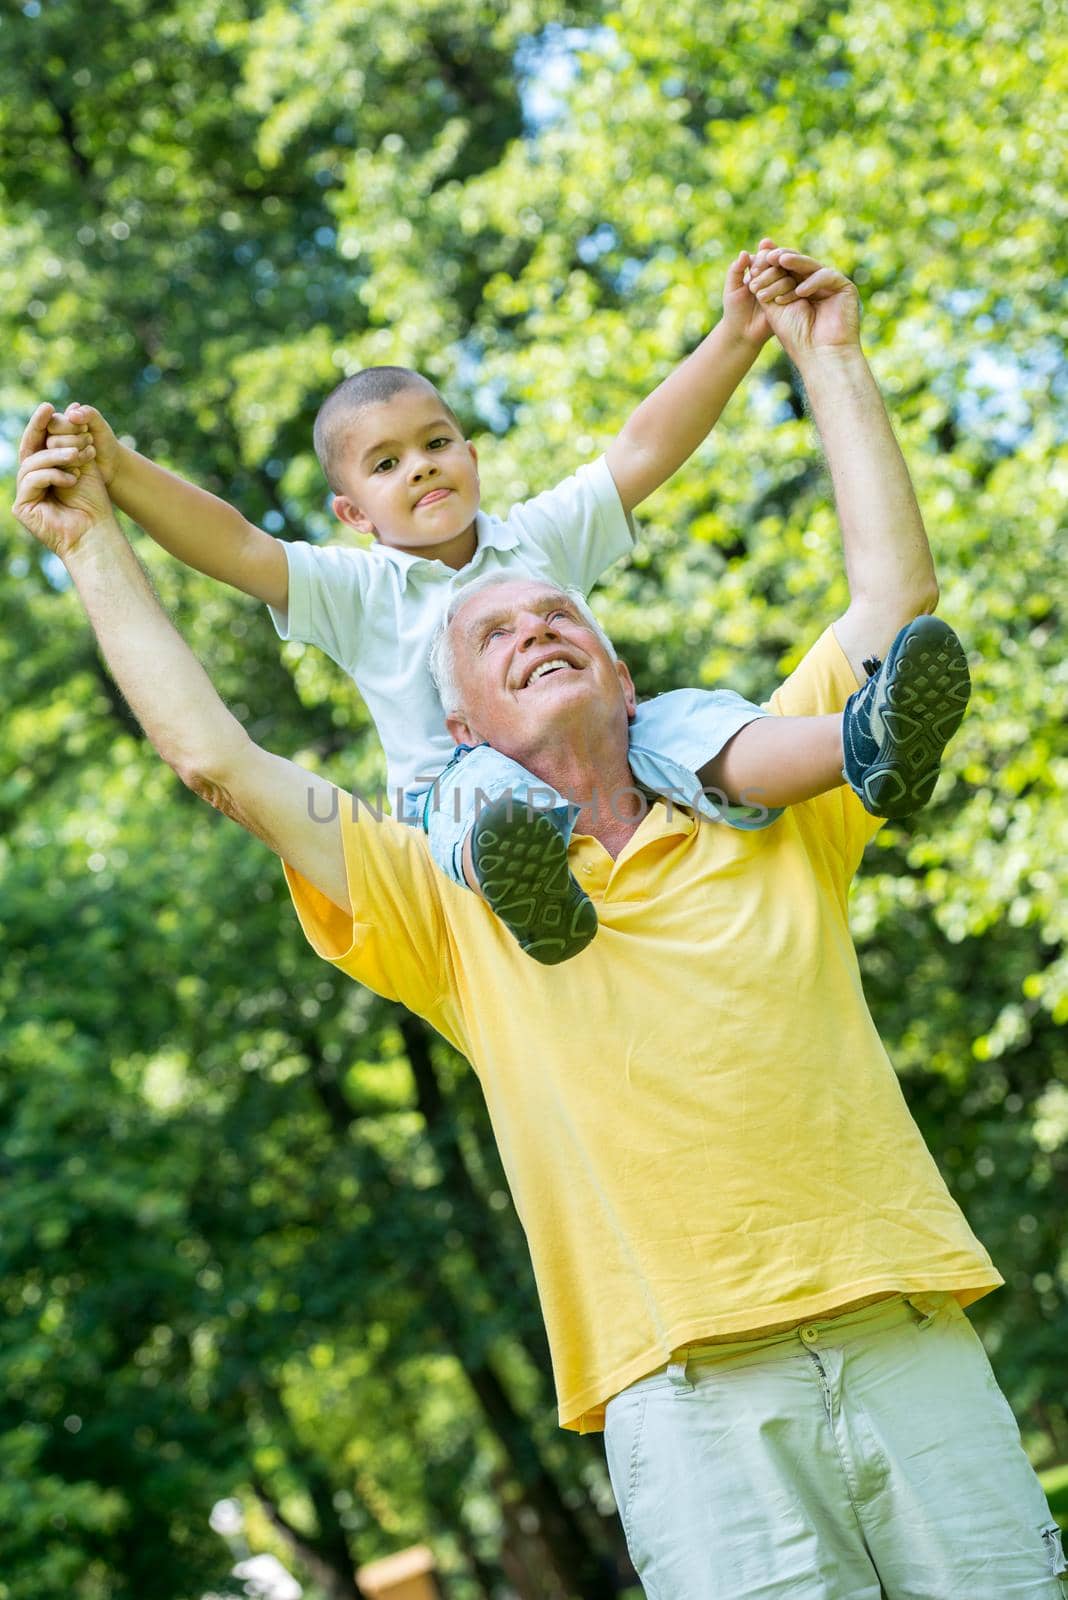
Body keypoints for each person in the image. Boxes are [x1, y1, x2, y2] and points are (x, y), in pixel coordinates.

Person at [15, 252, 1064, 1598]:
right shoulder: (445, 905)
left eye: (557, 614)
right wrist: (97, 535)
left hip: (907, 1323)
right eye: (491, 636)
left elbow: (888, 603)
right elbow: (220, 758)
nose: (527, 622)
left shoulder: (765, 811)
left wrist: (823, 354)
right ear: (456, 721)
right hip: (680, 1392)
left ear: (621, 669)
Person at [42, 244, 968, 967]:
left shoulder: (535, 542)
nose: (424, 467)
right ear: (352, 514)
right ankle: (528, 891)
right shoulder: (355, 589)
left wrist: (738, 335)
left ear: (472, 456)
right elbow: (237, 544)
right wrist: (120, 473)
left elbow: (644, 447)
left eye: (437, 441)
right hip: (459, 791)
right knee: (487, 799)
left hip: (616, 750)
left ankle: (866, 745)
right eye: (388, 463)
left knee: (696, 721)